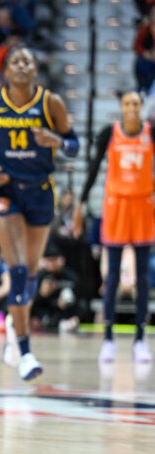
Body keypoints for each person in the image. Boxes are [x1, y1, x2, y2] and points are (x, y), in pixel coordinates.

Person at [0, 45, 79, 381]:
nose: (21, 65)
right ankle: (25, 351)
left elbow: (74, 144)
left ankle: (11, 324)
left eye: (27, 61)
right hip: (5, 191)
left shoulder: (51, 104)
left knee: (30, 273)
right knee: (17, 267)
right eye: (15, 61)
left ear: (35, 69)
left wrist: (56, 142)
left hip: (40, 191)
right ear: (6, 70)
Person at [72, 90, 153, 363]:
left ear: (141, 107)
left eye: (135, 104)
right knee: (113, 277)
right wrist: (81, 205)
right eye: (127, 103)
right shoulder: (110, 132)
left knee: (142, 278)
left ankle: (140, 341)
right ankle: (108, 339)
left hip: (143, 205)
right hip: (116, 206)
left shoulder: (151, 133)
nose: (131, 107)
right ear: (121, 106)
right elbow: (94, 169)